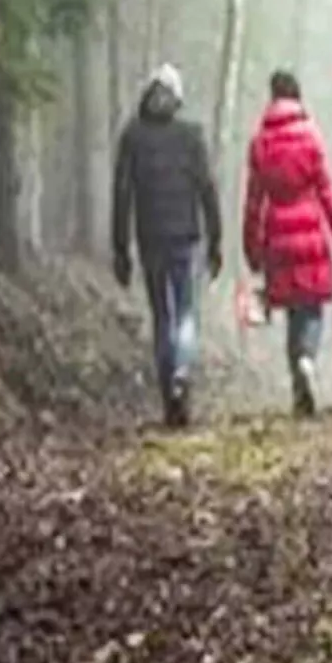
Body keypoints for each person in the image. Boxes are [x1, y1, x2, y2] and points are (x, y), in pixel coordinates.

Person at [112, 63, 224, 428]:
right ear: (177, 100)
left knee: (163, 316)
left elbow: (122, 195)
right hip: (185, 236)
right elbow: (207, 189)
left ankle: (169, 395)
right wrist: (216, 240)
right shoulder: (191, 136)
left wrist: (120, 248)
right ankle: (181, 374)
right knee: (187, 313)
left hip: (150, 238)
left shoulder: (132, 136)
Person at [242, 69, 332, 417]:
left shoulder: (260, 143)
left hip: (278, 234)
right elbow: (327, 191)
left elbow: (253, 201)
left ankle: (297, 381)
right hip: (309, 231)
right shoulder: (311, 137)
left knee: (291, 311)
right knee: (313, 307)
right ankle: (307, 360)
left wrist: (252, 247)